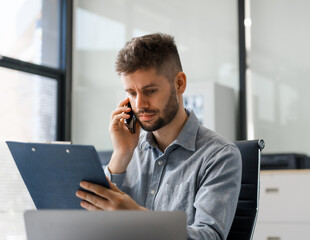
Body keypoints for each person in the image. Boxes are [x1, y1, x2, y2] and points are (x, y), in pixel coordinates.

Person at [75, 33, 242, 240]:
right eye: (132, 93)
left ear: (179, 84)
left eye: (150, 91)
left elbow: (209, 237)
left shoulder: (219, 156)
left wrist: (136, 217)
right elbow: (91, 228)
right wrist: (120, 155)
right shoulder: (128, 151)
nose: (139, 105)